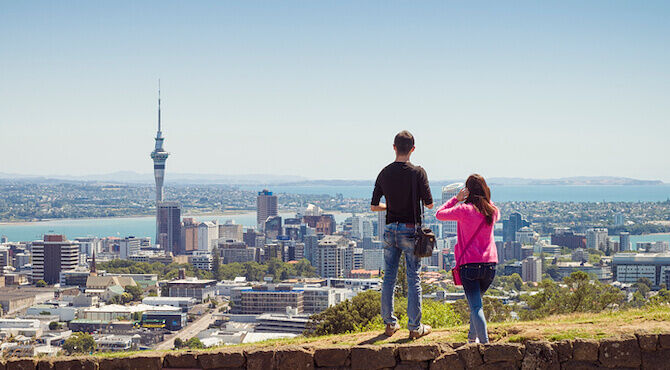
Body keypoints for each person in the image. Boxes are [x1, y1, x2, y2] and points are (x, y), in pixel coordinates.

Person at [371, 130, 434, 339]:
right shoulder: (418, 173)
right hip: (410, 230)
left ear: (394, 147)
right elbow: (429, 203)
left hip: (390, 230)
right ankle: (415, 327)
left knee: (388, 277)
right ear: (413, 149)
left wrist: (388, 207)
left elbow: (373, 206)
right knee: (413, 277)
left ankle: (390, 324)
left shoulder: (384, 173)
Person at [435, 174, 499, 344]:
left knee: (476, 306)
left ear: (468, 191)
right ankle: (472, 339)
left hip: (469, 266)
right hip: (490, 266)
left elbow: (439, 214)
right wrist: (487, 195)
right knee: (475, 304)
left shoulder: (464, 210)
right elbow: (489, 204)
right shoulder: (492, 211)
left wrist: (456, 199)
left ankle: (485, 344)